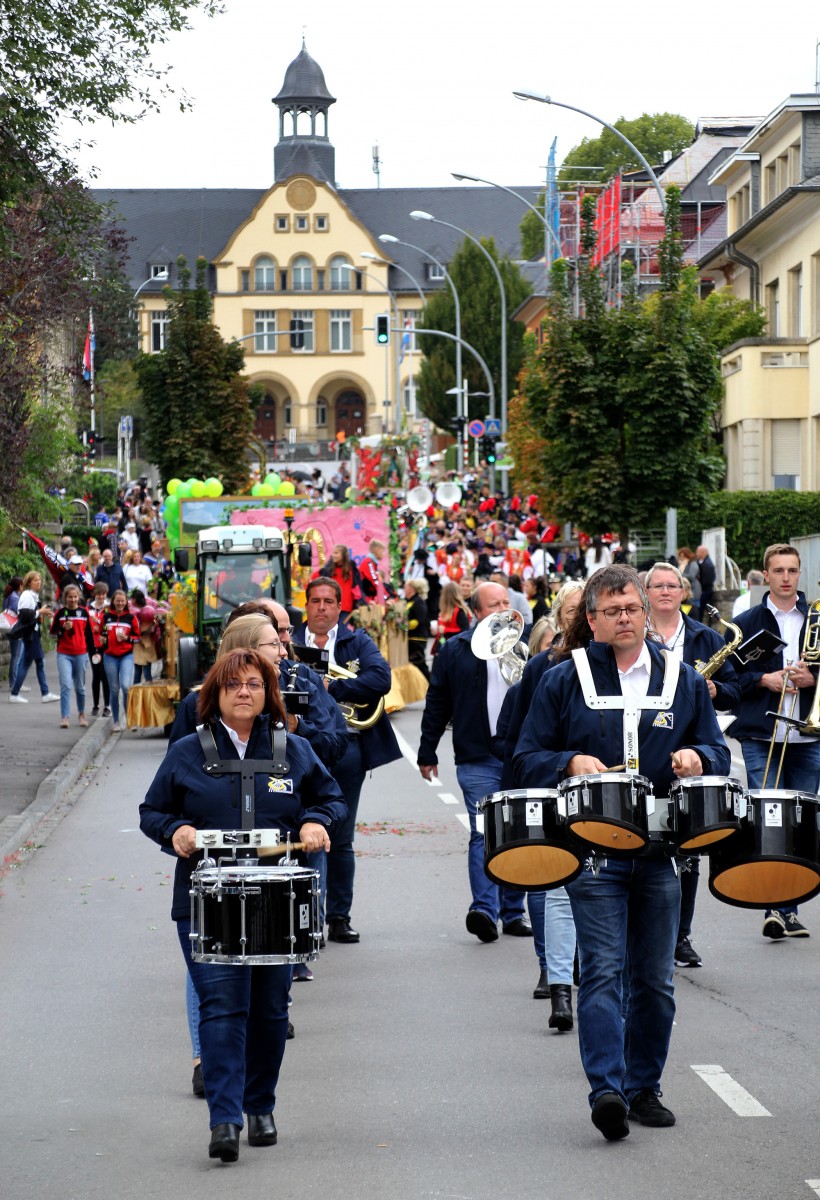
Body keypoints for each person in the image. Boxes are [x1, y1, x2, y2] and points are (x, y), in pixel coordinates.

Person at [514, 565, 730, 1141]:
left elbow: (717, 748)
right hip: (594, 853)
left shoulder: (680, 677)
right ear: (592, 620)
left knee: (656, 979)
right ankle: (606, 1090)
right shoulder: (564, 678)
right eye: (612, 611)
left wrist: (698, 758)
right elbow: (525, 756)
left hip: (661, 851)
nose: (626, 618)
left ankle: (644, 1087)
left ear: (645, 609)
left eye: (632, 608)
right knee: (604, 972)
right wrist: (568, 762)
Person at [140, 648, 346, 1163]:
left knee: (271, 1008)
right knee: (222, 1005)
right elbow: (152, 810)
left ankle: (260, 1106)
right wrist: (175, 830)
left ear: (266, 694)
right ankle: (225, 1120)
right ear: (216, 693)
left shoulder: (292, 748)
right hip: (204, 899)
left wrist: (316, 820)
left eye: (254, 684)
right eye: (234, 685)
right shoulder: (188, 750)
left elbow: (331, 797)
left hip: (275, 899)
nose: (244, 693)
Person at [418, 582, 529, 942]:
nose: (502, 609)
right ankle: (484, 909)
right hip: (476, 758)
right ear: (477, 612)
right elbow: (437, 701)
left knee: (519, 832)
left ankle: (513, 912)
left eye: (505, 602)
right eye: (493, 604)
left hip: (518, 757)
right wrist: (427, 750)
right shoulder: (456, 650)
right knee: (484, 832)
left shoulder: (525, 648)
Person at [292, 578, 401, 942]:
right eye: (315, 601)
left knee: (340, 837)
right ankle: (306, 918)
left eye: (328, 602)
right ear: (306, 606)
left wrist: (332, 689)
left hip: (348, 746)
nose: (321, 607)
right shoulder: (289, 641)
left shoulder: (356, 641)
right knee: (299, 833)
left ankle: (338, 917)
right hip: (301, 747)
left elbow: (380, 678)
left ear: (339, 607)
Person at [644, 561, 741, 967]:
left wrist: (715, 688)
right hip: (649, 743)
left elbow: (737, 689)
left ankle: (680, 936)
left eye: (673, 586)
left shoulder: (704, 637)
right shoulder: (632, 635)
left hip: (694, 748)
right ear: (645, 592)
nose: (666, 592)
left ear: (684, 593)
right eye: (658, 586)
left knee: (688, 845)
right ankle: (647, 934)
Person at [728, 543, 818, 939]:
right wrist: (762, 679)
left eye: (792, 570)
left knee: (799, 825)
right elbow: (728, 680)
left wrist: (813, 680)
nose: (785, 577)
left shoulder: (818, 620)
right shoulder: (747, 621)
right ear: (766, 575)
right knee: (770, 821)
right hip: (762, 733)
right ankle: (776, 906)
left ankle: (788, 907)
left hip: (809, 735)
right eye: (778, 570)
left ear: (801, 575)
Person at [9, 572, 59, 704]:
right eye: (36, 580)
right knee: (39, 662)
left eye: (40, 580)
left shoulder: (33, 595)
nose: (39, 582)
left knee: (28, 663)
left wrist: (42, 613)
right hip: (30, 633)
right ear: (29, 582)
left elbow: (32, 615)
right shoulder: (26, 595)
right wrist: (39, 612)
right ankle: (44, 693)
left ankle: (15, 693)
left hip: (33, 633)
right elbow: (24, 615)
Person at [50, 583, 95, 728]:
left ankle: (82, 715)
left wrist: (94, 653)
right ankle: (65, 717)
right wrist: (62, 629)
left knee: (80, 687)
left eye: (75, 597)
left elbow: (90, 635)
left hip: (81, 653)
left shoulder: (84, 613)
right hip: (64, 653)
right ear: (65, 598)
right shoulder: (60, 614)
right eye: (70, 597)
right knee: (65, 685)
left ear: (79, 598)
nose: (73, 600)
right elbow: (52, 634)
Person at [102, 589, 140, 732]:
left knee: (126, 687)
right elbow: (100, 633)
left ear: (126, 602)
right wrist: (102, 640)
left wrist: (128, 639)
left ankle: (130, 719)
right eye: (117, 601)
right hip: (110, 656)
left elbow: (138, 637)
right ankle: (116, 721)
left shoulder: (131, 618)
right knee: (114, 689)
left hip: (126, 655)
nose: (120, 603)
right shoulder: (106, 617)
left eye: (122, 601)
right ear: (113, 602)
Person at [87, 583, 111, 716]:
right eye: (99, 594)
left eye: (103, 594)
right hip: (93, 646)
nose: (101, 597)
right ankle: (95, 705)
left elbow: (110, 624)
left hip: (105, 645)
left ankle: (107, 706)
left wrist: (101, 628)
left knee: (104, 675)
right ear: (94, 594)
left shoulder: (109, 608)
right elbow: (86, 625)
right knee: (96, 675)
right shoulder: (89, 608)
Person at [316, 544, 361, 615]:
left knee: (341, 626)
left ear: (343, 555)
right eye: (333, 553)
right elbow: (316, 578)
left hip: (346, 607)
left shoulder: (351, 568)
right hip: (331, 606)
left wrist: (358, 601)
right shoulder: (328, 569)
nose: (333, 555)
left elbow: (357, 586)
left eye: (336, 553)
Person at [432, 580, 471, 653]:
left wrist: (446, 630)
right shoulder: (445, 611)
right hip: (444, 648)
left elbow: (465, 632)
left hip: (454, 650)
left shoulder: (459, 611)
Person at [404, 578, 431, 681]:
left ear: (411, 589)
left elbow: (419, 620)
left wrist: (404, 626)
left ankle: (430, 683)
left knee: (419, 663)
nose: (404, 589)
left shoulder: (419, 602)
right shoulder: (408, 601)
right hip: (410, 638)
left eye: (406, 586)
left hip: (417, 638)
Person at [3, 576, 25, 692]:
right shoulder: (15, 598)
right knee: (16, 657)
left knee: (16, 657)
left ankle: (15, 682)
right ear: (20, 586)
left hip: (10, 629)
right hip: (16, 630)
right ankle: (14, 683)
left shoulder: (8, 596)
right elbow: (20, 613)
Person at [696, 545, 716, 620]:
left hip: (706, 590)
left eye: (698, 552)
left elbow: (708, 579)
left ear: (703, 552)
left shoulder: (708, 564)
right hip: (704, 589)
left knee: (702, 609)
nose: (696, 554)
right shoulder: (701, 562)